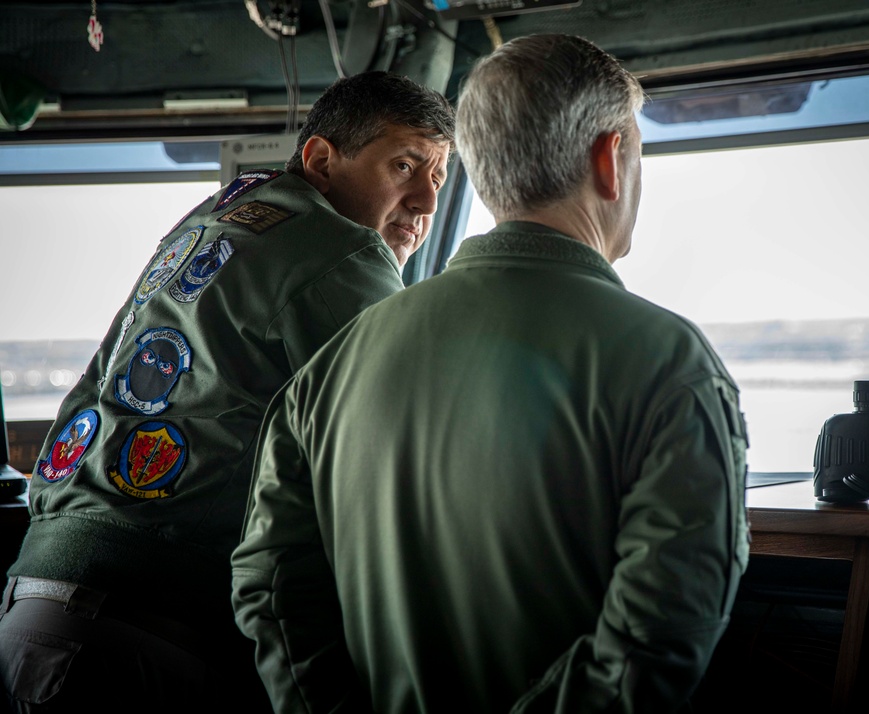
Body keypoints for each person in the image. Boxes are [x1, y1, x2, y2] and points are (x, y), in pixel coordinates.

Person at [232, 33, 750, 713]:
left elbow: (271, 591)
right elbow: (657, 636)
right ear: (610, 160)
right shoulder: (672, 364)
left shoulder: (330, 369)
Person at [0, 71, 453, 713]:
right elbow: (418, 450)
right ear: (322, 160)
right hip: (150, 626)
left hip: (37, 603)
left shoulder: (218, 219)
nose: (427, 203)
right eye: (404, 166)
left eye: (439, 177)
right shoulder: (340, 252)